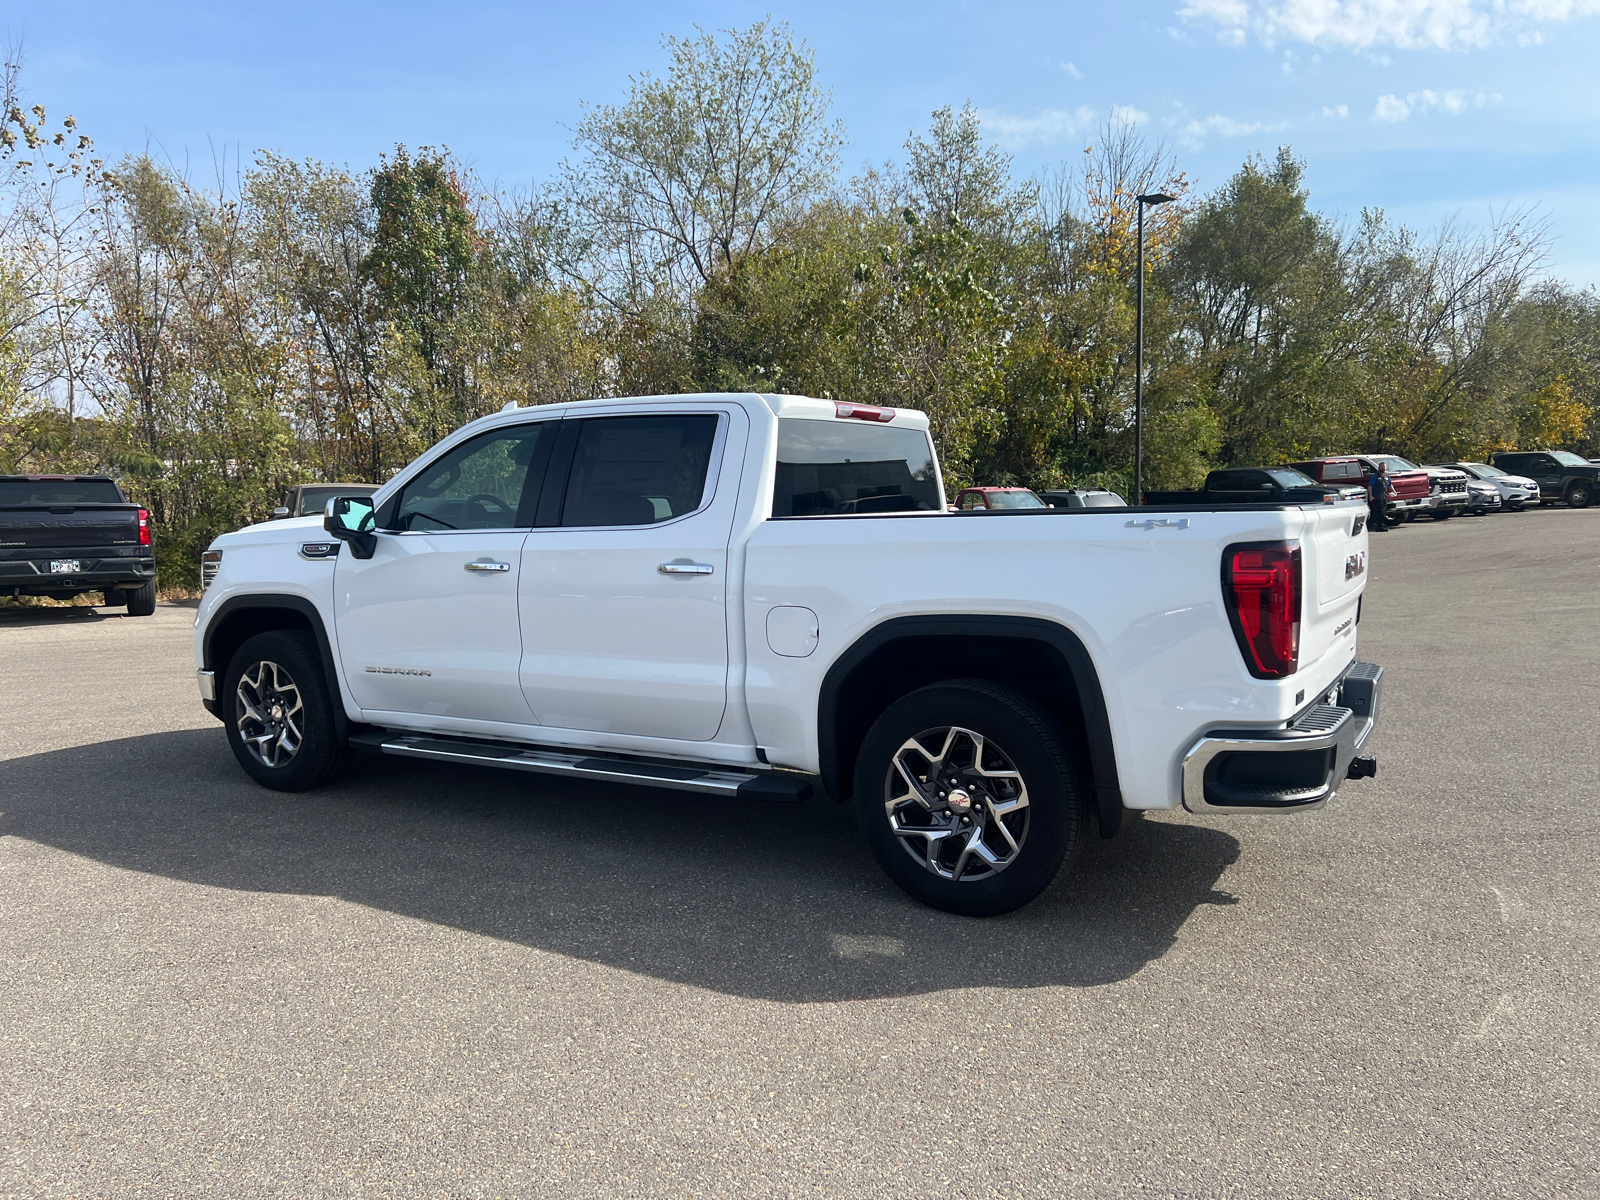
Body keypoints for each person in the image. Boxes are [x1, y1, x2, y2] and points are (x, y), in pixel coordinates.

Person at [1368, 461, 1393, 531]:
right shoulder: (1375, 476)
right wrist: (1370, 496)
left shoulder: (1387, 476)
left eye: (1384, 467)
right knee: (1379, 512)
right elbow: (1370, 486)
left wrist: (1394, 491)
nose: (1383, 468)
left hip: (1384, 496)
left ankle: (1381, 525)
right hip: (1377, 497)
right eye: (1381, 466)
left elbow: (1390, 485)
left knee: (1383, 512)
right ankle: (1379, 527)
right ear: (1379, 467)